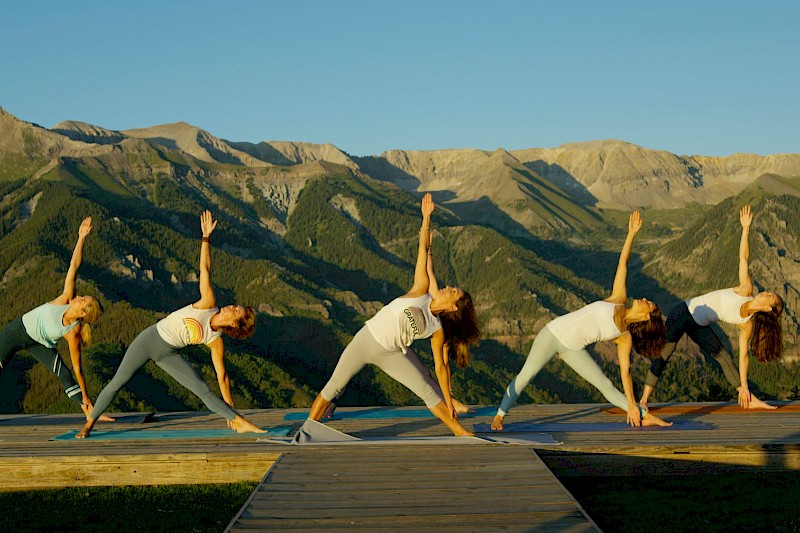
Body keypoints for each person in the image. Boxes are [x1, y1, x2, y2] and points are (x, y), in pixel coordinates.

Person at [76, 211, 264, 438]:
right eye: (236, 305)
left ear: (235, 324)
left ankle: (239, 421)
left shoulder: (215, 341)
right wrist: (205, 238)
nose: (232, 306)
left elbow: (222, 376)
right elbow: (205, 269)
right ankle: (89, 424)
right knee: (117, 382)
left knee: (202, 389)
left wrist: (230, 409)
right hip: (149, 340)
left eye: (236, 311)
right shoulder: (208, 303)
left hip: (169, 354)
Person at [308, 193, 481, 436]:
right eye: (452, 286)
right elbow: (422, 249)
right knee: (332, 387)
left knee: (427, 390)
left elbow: (441, 367)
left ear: (454, 307)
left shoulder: (437, 329)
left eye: (453, 291)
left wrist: (450, 402)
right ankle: (306, 432)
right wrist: (426, 218)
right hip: (366, 340)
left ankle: (460, 432)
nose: (448, 287)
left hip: (392, 353)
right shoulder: (421, 290)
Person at [492, 211, 671, 431]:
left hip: (572, 348)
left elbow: (625, 373)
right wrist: (631, 234)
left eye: (648, 304)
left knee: (605, 385)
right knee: (527, 375)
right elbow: (623, 263)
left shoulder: (624, 338)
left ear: (646, 317)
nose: (644, 299)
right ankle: (500, 415)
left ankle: (644, 415)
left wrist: (633, 406)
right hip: (552, 334)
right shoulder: (618, 299)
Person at [639, 205, 783, 410]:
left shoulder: (747, 325)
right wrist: (746, 229)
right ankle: (643, 401)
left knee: (724, 357)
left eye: (770, 296)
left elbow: (743, 357)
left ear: (769, 309)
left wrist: (743, 386)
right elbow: (743, 258)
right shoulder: (745, 289)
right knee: (663, 356)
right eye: (769, 292)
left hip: (698, 325)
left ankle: (748, 398)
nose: (766, 292)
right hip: (682, 313)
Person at [0, 216, 110, 420]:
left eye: (82, 299)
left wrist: (86, 396)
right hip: (17, 331)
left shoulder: (74, 332)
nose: (78, 296)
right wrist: (81, 238)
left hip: (39, 344)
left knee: (65, 374)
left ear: (83, 312)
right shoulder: (66, 298)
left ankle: (89, 411)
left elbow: (78, 368)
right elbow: (74, 265)